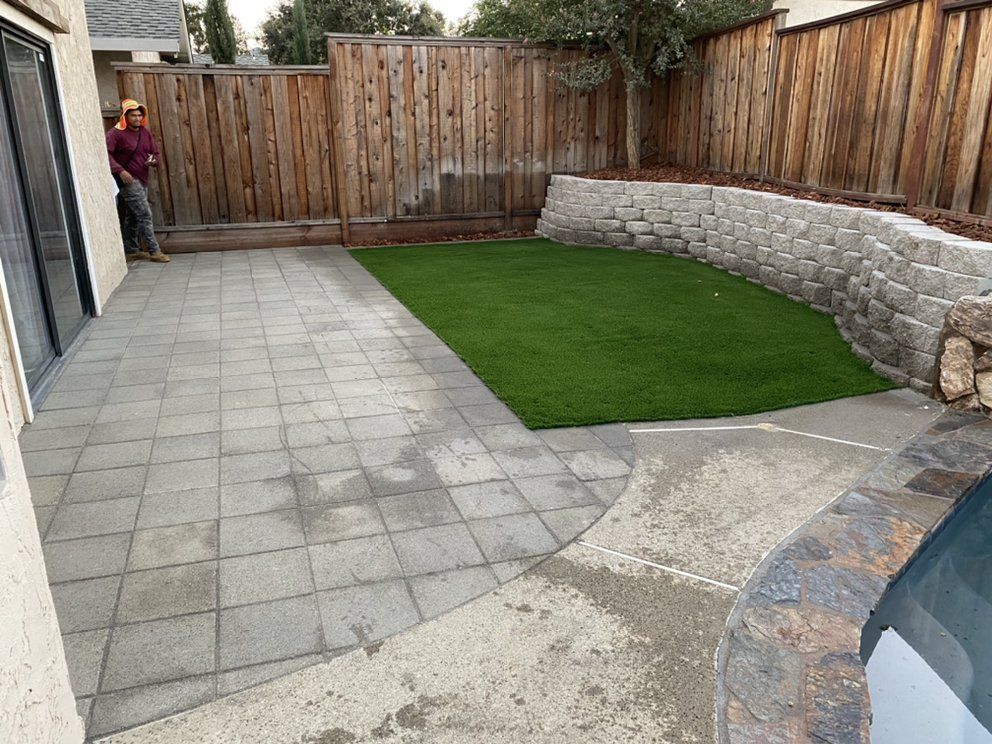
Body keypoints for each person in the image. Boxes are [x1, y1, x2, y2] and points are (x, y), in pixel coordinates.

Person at [106, 99, 170, 263]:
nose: (137, 118)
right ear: (125, 116)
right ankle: (154, 251)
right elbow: (105, 154)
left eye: (139, 115)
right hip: (127, 180)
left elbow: (155, 153)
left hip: (142, 178)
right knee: (144, 214)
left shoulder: (145, 133)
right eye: (133, 115)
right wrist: (120, 170)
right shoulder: (115, 134)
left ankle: (131, 250)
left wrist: (153, 161)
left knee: (134, 216)